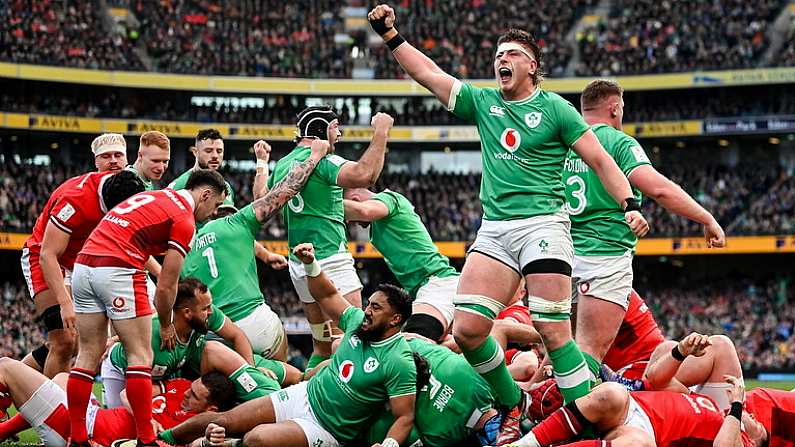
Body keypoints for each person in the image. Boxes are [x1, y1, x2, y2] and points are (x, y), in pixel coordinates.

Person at [368, 6, 648, 421]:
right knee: (467, 329)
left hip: (544, 225)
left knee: (552, 329)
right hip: (496, 229)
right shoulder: (484, 103)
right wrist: (391, 35)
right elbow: (428, 74)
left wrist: (629, 202)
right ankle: (515, 405)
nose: (502, 59)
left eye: (512, 53)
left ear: (532, 66)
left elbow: (603, 162)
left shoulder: (556, 109)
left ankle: (588, 416)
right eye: (499, 54)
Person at [159, 242, 417, 447]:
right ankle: (159, 440)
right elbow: (328, 295)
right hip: (303, 394)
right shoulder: (357, 322)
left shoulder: (399, 361)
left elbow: (404, 417)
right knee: (224, 420)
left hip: (324, 428)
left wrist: (390, 444)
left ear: (395, 319)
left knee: (256, 438)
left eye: (376, 307)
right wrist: (311, 264)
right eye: (369, 304)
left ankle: (229, 444)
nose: (367, 310)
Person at [563, 79, 726, 384]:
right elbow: (660, 190)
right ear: (614, 107)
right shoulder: (617, 142)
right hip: (603, 256)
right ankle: (557, 426)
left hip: (562, 257)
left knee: (562, 351)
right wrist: (706, 218)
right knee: (588, 355)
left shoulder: (563, 144)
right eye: (621, 107)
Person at [67, 170, 228, 447]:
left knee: (87, 355)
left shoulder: (156, 196)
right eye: (215, 206)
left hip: (83, 267)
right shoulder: (184, 220)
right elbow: (167, 287)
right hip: (117, 268)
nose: (213, 214)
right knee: (140, 355)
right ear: (205, 195)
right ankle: (147, 439)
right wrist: (165, 323)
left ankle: (79, 437)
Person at [269, 107, 393, 370]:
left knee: (322, 345)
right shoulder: (324, 160)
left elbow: (264, 196)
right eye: (335, 126)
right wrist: (381, 132)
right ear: (320, 129)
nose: (339, 133)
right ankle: (345, 400)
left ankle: (308, 392)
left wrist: (260, 164)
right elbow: (365, 175)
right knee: (352, 338)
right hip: (329, 259)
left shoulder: (282, 164)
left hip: (299, 264)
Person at [20, 170, 145, 378]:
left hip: (79, 262)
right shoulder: (74, 201)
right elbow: (47, 255)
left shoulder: (122, 189)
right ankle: (52, 407)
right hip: (45, 257)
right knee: (64, 340)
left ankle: (7, 380)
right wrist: (65, 303)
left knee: (82, 343)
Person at [182, 141, 293, 361]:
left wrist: (266, 255)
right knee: (280, 373)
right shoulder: (237, 224)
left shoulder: (186, 246)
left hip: (215, 331)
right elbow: (272, 196)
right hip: (256, 323)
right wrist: (262, 161)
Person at [101, 278, 268, 408]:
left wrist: (251, 369)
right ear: (187, 313)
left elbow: (237, 335)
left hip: (161, 375)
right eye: (205, 308)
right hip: (121, 372)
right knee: (125, 422)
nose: (211, 312)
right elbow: (129, 393)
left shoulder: (204, 315)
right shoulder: (154, 339)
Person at [0, 356, 236, 447]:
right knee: (64, 377)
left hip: (80, 431)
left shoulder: (192, 431)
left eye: (194, 396)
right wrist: (147, 420)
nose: (186, 394)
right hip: (93, 418)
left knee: (6, 367)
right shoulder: (182, 385)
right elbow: (127, 394)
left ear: (211, 409)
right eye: (190, 389)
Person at [502, 375, 753, 447]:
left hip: (648, 436)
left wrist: (738, 408)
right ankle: (522, 445)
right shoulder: (706, 401)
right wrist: (681, 350)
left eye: (759, 424)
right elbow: (657, 377)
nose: (754, 417)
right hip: (632, 405)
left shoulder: (737, 435)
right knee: (610, 392)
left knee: (635, 444)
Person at [344, 187, 460, 342]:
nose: (350, 221)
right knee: (428, 349)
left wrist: (324, 203)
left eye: (348, 216)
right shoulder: (378, 226)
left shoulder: (389, 198)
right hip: (427, 289)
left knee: (413, 344)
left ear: (355, 200)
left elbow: (364, 211)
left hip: (437, 282)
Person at [168, 128, 235, 207]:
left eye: (219, 151)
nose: (215, 156)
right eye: (208, 151)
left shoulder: (226, 187)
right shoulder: (178, 186)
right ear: (195, 152)